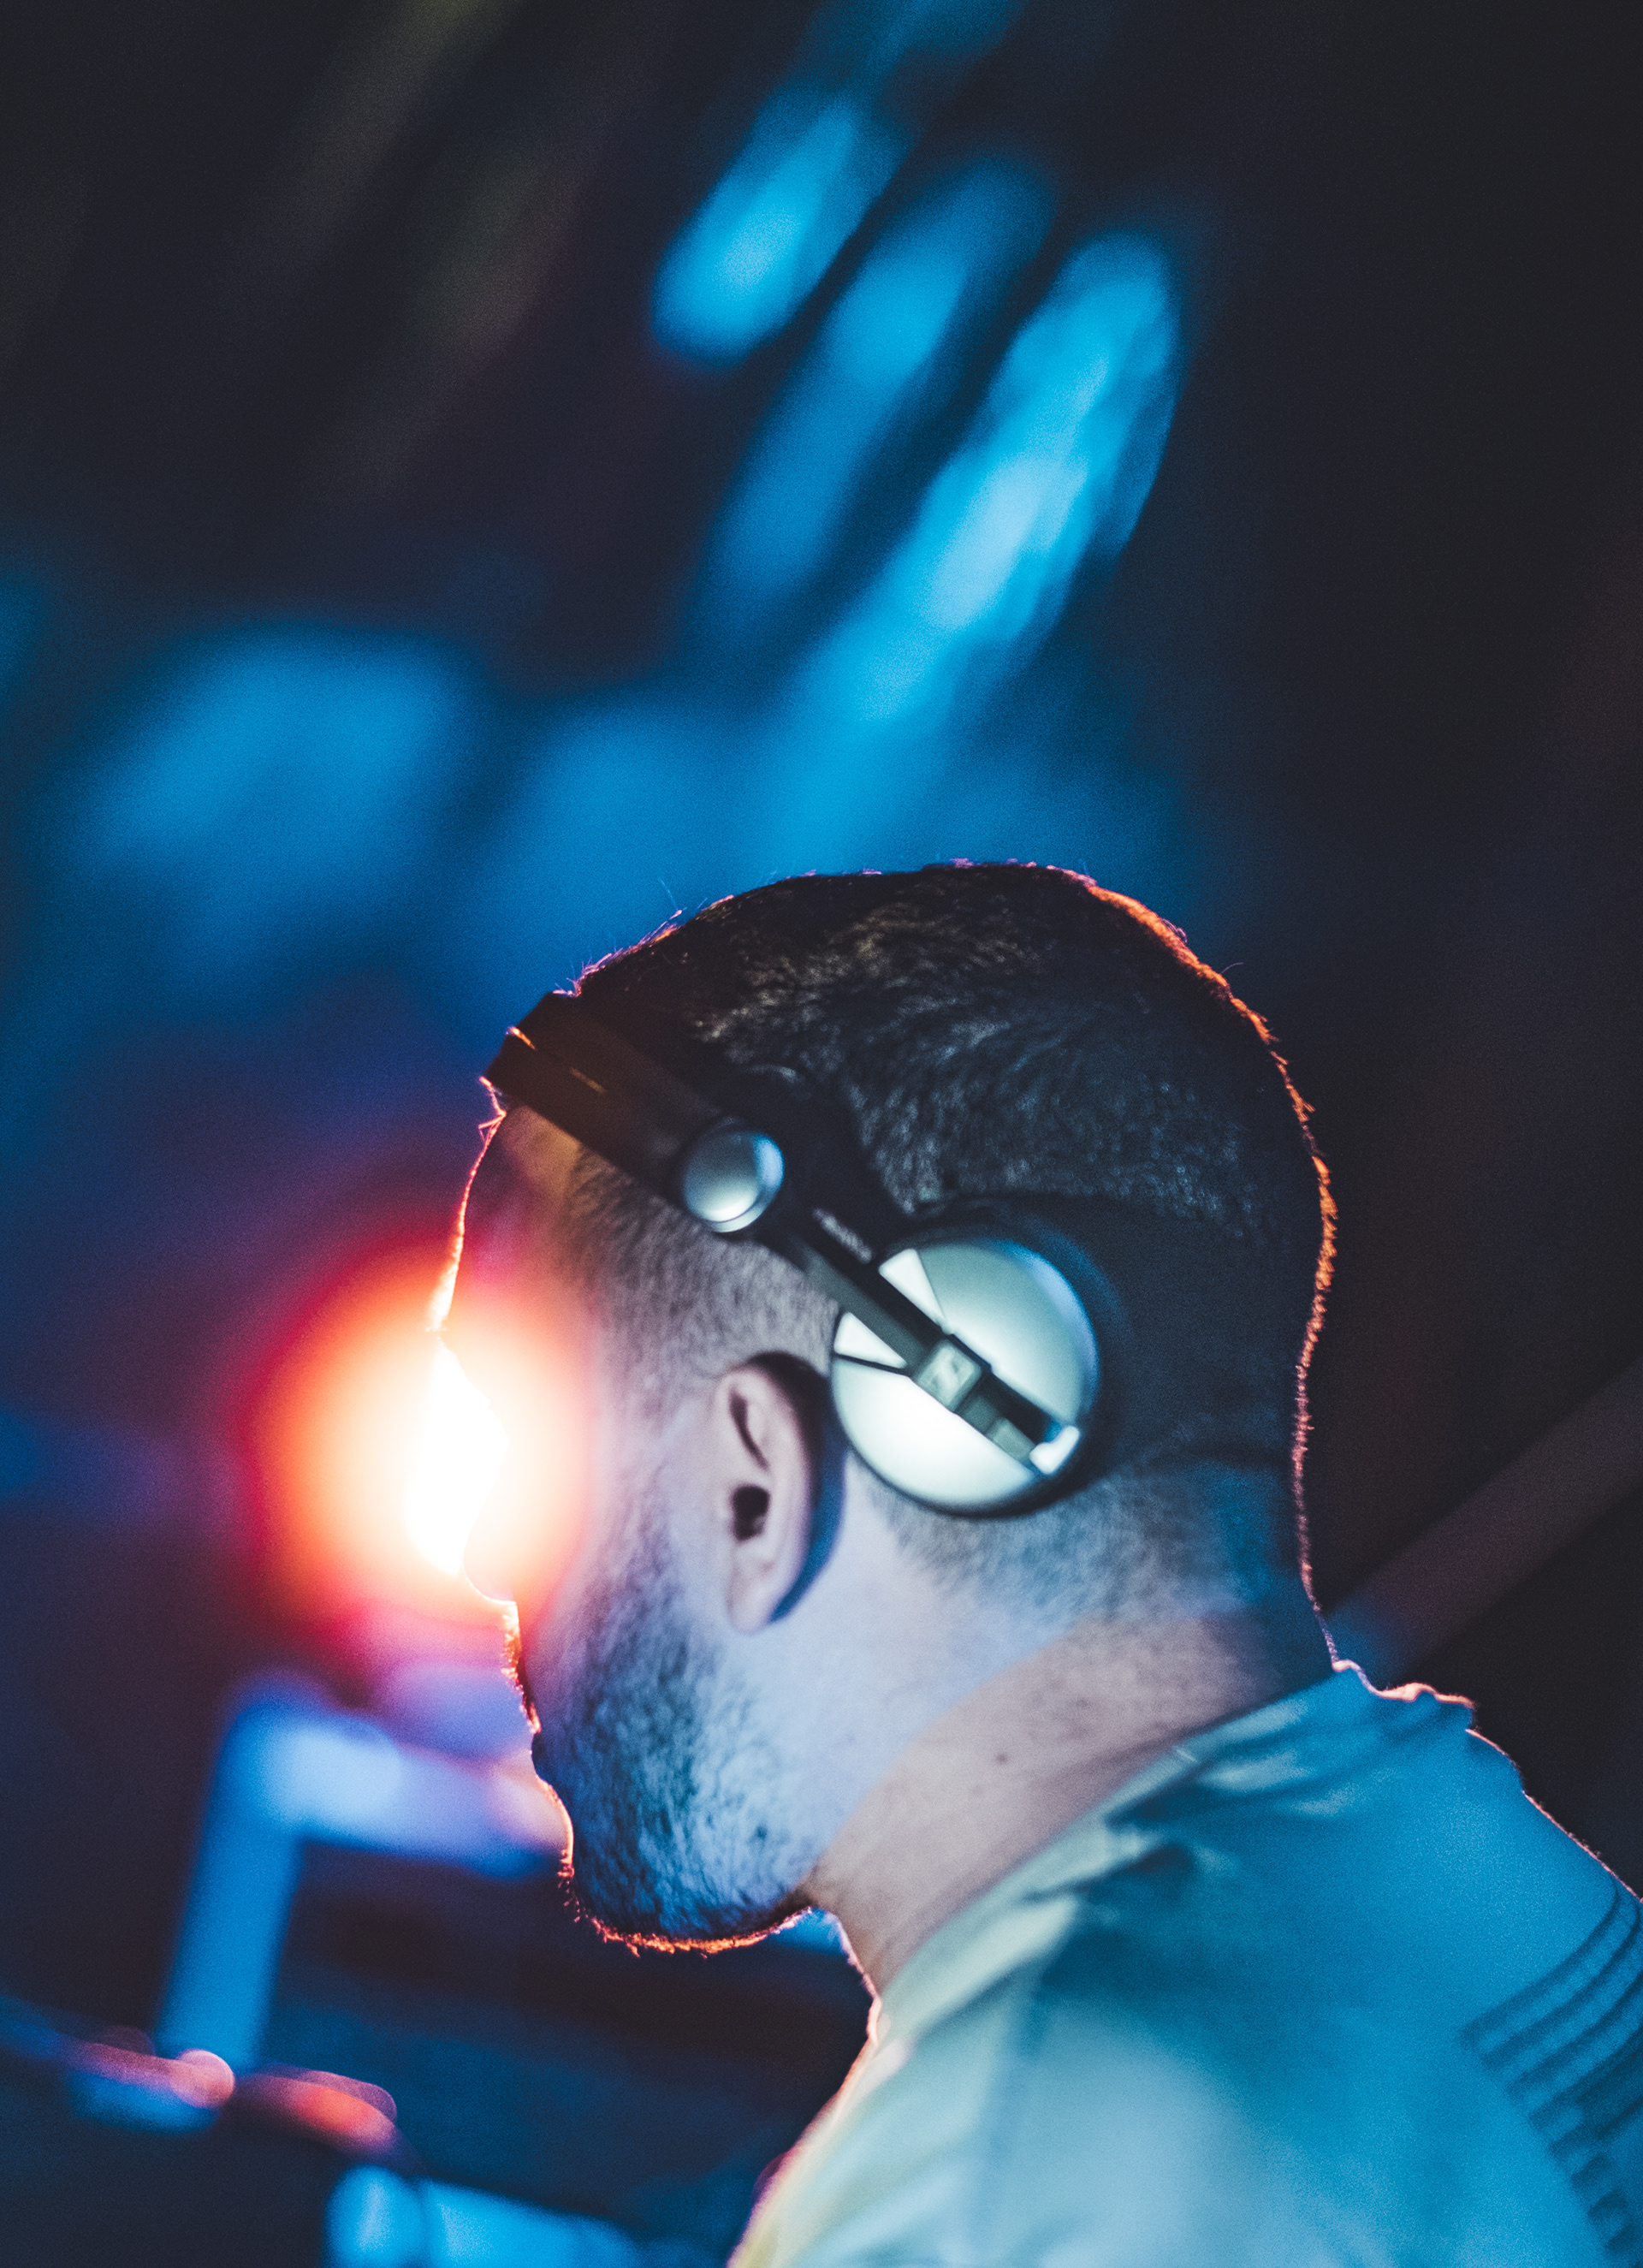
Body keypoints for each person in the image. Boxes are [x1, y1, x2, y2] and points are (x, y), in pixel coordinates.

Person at [450, 864, 1643, 2266]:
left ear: (757, 1484)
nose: (481, 1559)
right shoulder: (1502, 1902)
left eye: (527, 1453)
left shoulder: (1007, 2170)